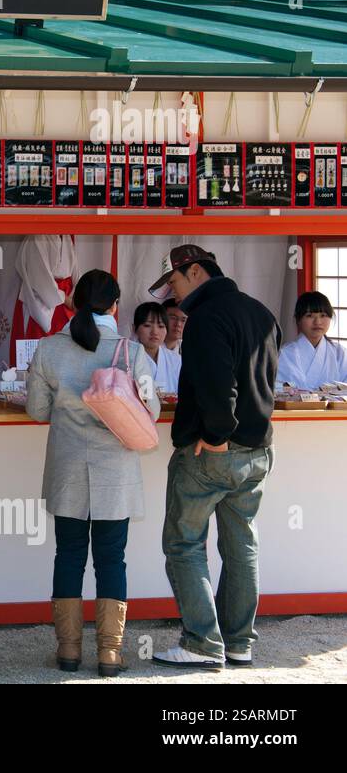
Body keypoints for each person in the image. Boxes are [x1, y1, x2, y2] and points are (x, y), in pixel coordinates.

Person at [148, 246, 280, 670]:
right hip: (257, 450)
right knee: (242, 546)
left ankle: (203, 643)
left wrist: (217, 435)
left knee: (185, 544)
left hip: (212, 451)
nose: (173, 291)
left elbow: (217, 384)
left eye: (175, 280)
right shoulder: (261, 312)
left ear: (197, 271)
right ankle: (239, 641)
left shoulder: (206, 317)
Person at [26, 270, 160, 676]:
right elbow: (151, 412)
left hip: (67, 466)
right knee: (111, 559)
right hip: (115, 472)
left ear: (72, 304)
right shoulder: (132, 352)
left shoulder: (48, 350)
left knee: (67, 556)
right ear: (115, 306)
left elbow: (36, 410)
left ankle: (68, 651)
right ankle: (110, 654)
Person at [8, 235, 77, 369]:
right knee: (35, 354)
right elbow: (40, 278)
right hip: (39, 302)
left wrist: (76, 298)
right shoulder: (37, 238)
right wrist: (66, 299)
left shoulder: (67, 237)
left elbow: (75, 274)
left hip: (64, 305)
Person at [277, 291, 347, 389]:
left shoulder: (340, 353)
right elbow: (276, 387)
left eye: (323, 315)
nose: (317, 322)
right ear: (298, 319)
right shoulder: (286, 353)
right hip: (297, 404)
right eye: (309, 316)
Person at [133, 301, 181, 394]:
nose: (155, 332)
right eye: (147, 325)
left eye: (161, 326)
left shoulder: (176, 360)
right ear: (134, 328)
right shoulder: (127, 358)